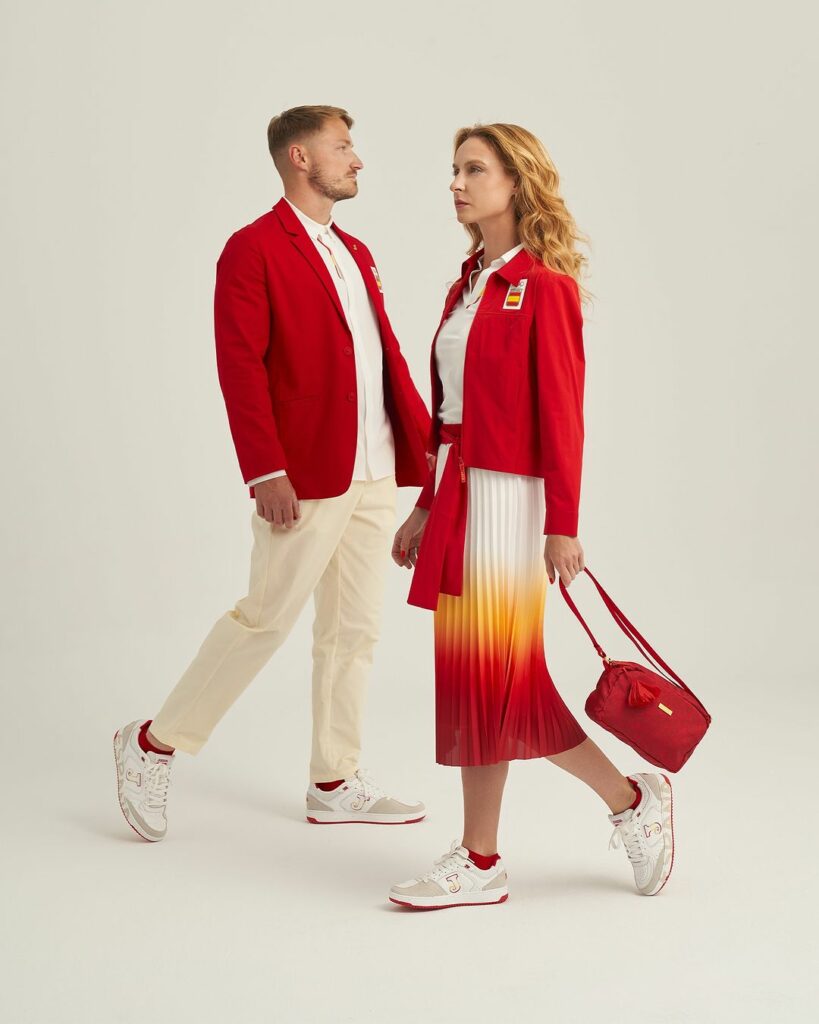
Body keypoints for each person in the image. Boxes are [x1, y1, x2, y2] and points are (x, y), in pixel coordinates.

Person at [114, 105, 432, 842]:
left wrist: (419, 453)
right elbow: (240, 366)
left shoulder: (355, 251)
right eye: (342, 147)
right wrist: (265, 468)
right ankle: (152, 743)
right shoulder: (251, 248)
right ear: (300, 157)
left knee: (354, 631)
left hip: (372, 467)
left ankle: (334, 779)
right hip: (305, 470)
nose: (357, 160)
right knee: (266, 619)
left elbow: (377, 356)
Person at [388, 123, 674, 909]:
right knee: (475, 679)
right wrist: (424, 505)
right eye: (453, 170)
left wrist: (562, 522)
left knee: (500, 679)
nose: (455, 183)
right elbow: (448, 412)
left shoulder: (542, 286)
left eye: (473, 169)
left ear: (515, 183)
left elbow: (562, 413)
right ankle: (483, 857)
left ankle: (627, 801)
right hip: (457, 490)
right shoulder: (467, 284)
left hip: (509, 500)